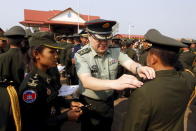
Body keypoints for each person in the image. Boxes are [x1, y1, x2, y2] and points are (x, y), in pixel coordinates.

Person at [75, 19, 155, 131]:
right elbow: (86, 81)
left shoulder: (114, 51)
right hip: (90, 103)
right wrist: (115, 83)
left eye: (108, 39)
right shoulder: (81, 55)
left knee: (107, 126)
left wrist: (139, 68)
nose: (104, 43)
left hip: (108, 102)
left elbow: (128, 62)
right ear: (89, 36)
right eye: (99, 39)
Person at [123, 29, 195, 131]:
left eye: (149, 53)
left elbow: (132, 127)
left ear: (153, 59)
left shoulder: (143, 92)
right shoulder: (188, 80)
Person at [19, 32, 83, 131]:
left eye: (56, 52)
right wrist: (65, 116)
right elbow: (34, 123)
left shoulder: (47, 76)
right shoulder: (32, 86)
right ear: (36, 54)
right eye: (51, 52)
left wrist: (69, 103)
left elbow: (51, 99)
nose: (56, 56)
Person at [0, 26, 26, 131]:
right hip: (25, 95)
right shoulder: (28, 58)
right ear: (23, 41)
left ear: (7, 41)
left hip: (4, 97)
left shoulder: (1, 57)